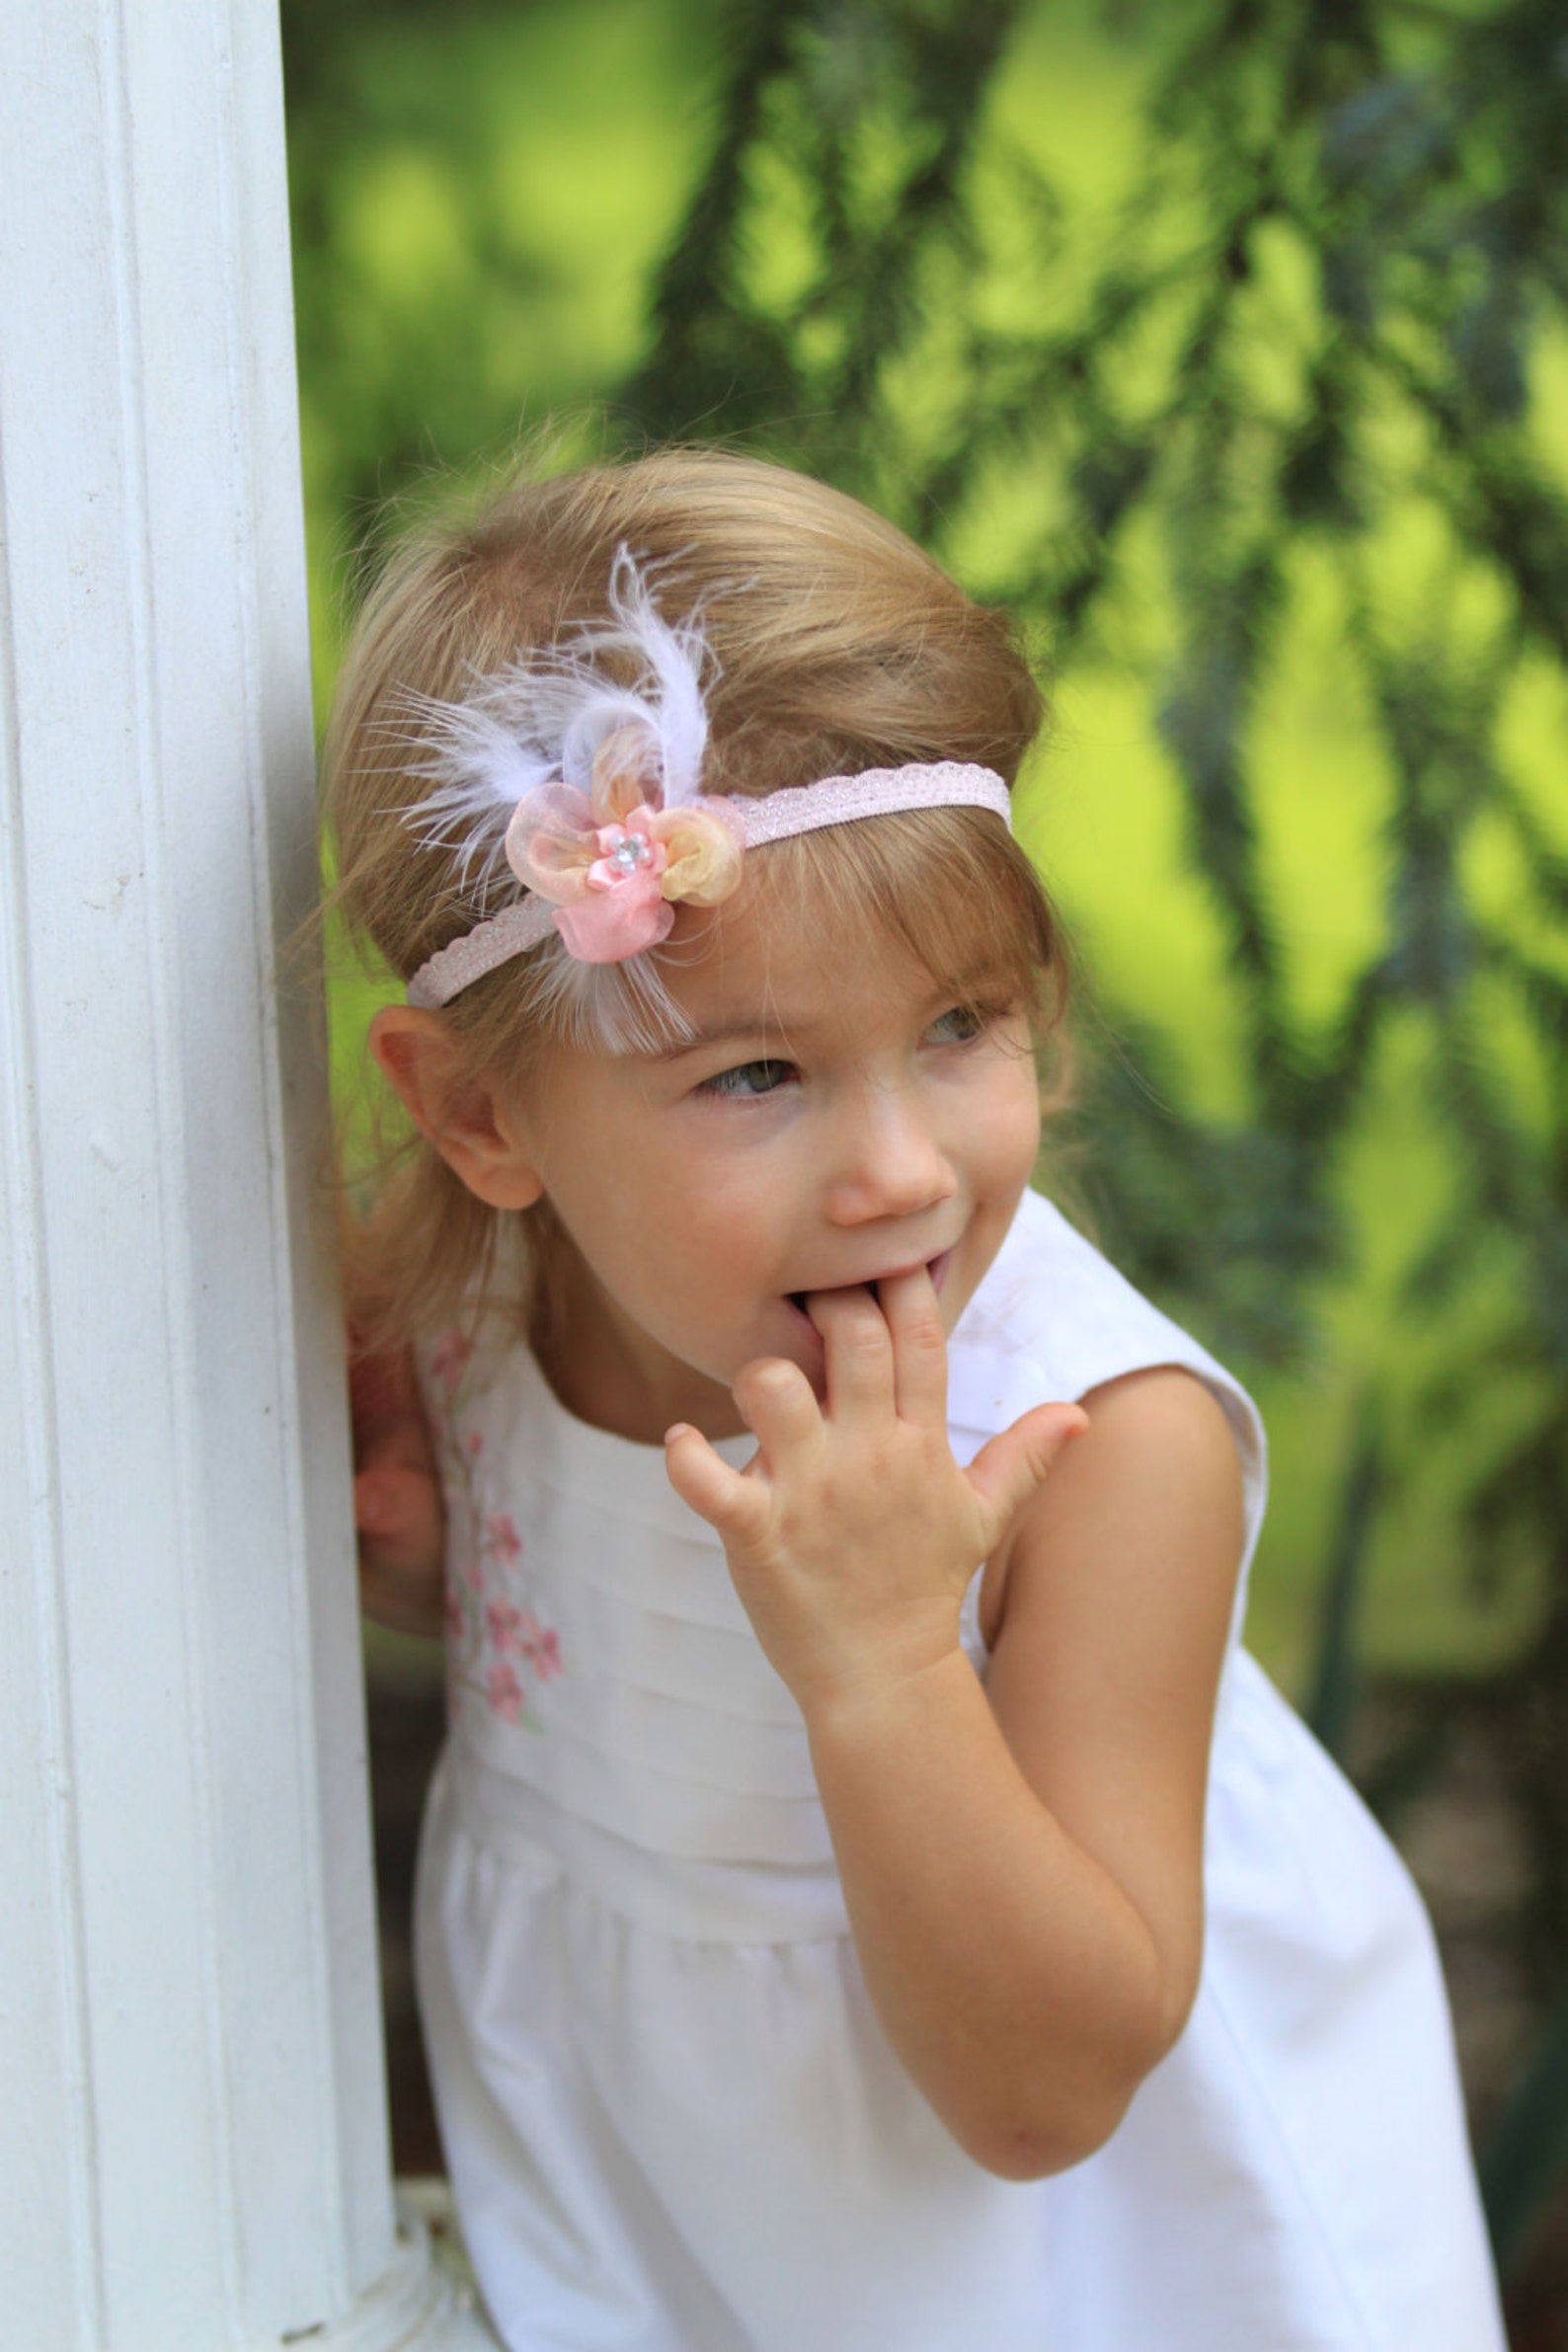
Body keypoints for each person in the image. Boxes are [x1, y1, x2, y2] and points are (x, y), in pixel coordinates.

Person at [329, 449, 1505, 2351]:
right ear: (479, 1115)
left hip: (1092, 2276)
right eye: (756, 1074)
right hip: (668, 2219)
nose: (897, 1170)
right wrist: (440, 1569)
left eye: (960, 1026)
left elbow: (1046, 2096)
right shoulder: (472, 1313)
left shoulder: (1102, 1448)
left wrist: (884, 1660)